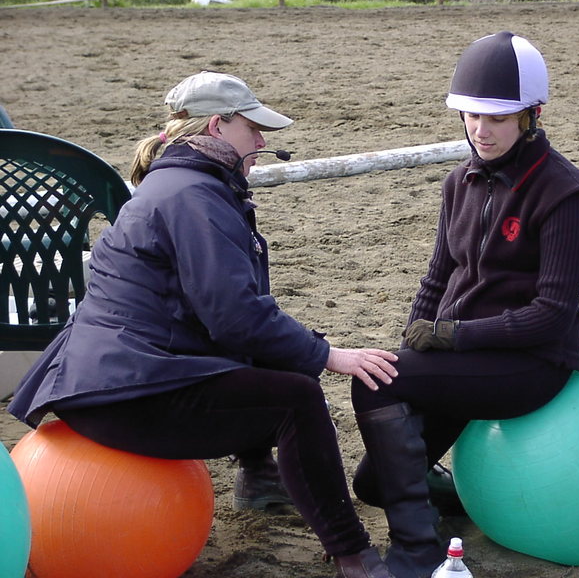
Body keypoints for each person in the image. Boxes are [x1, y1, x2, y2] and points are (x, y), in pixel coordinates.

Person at [8, 71, 398, 578]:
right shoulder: (195, 197)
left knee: (276, 360)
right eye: (252, 129)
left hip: (109, 378)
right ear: (217, 126)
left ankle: (260, 477)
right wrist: (329, 355)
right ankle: (355, 555)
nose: (261, 143)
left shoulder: (181, 184)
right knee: (297, 399)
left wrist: (302, 350)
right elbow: (237, 317)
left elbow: (231, 316)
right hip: (121, 396)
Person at [348, 32, 579, 578]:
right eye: (471, 115)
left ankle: (416, 551)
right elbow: (437, 277)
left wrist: (454, 337)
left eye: (497, 118)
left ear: (531, 116)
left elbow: (552, 313)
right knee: (370, 484)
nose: (480, 130)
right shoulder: (460, 181)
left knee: (372, 382)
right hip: (463, 358)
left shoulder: (567, 196)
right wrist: (413, 348)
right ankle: (461, 500)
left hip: (530, 364)